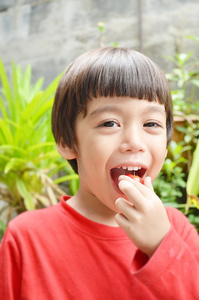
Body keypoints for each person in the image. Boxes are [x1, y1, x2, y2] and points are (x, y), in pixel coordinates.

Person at [0, 47, 198, 300]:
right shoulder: (27, 237)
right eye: (109, 123)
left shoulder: (176, 230)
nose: (134, 141)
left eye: (151, 124)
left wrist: (161, 246)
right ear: (67, 142)